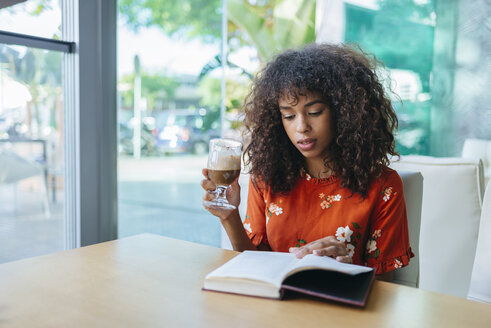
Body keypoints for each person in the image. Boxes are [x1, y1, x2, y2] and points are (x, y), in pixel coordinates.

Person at [201, 43, 413, 279]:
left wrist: (345, 264)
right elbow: (254, 262)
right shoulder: (266, 178)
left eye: (314, 112)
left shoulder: (383, 186)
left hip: (342, 311)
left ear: (343, 111)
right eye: (289, 116)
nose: (301, 127)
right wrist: (229, 216)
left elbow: (388, 284)